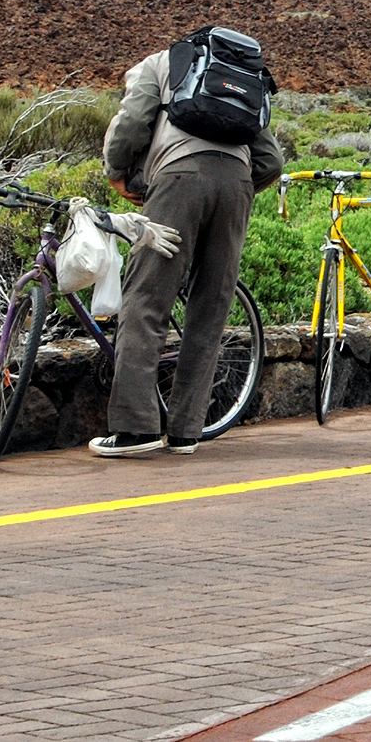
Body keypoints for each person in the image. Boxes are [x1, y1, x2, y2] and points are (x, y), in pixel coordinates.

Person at [94, 30, 285, 455]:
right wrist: (234, 187)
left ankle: (135, 428)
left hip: (178, 180)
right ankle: (185, 432)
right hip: (237, 186)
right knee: (211, 306)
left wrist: (118, 173)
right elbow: (271, 161)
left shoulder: (161, 63)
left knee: (147, 298)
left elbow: (130, 124)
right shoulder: (244, 81)